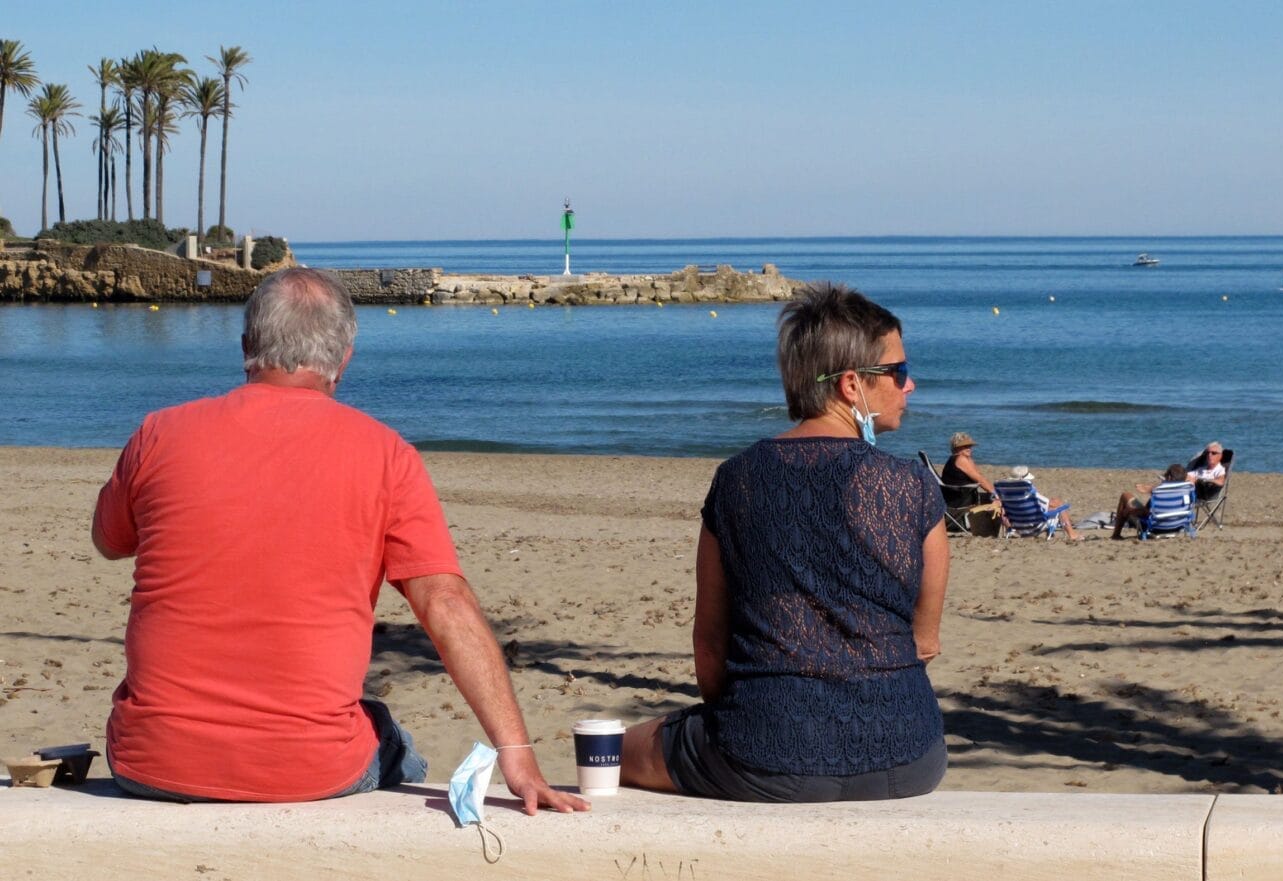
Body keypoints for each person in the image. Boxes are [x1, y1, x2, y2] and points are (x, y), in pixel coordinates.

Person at [92, 268, 588, 811]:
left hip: (152, 760)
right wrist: (515, 751)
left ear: (246, 347)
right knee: (396, 744)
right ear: (345, 358)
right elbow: (444, 603)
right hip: (309, 769)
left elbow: (110, 540)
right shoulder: (385, 454)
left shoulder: (159, 433)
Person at [619, 282, 949, 803]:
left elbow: (709, 645)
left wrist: (747, 723)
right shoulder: (914, 489)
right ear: (851, 385)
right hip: (910, 755)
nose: (910, 387)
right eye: (899, 372)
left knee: (614, 750)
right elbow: (924, 644)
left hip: (762, 754)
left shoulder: (737, 480)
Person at [1002, 465, 1082, 541]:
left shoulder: (1006, 492)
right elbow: (1046, 504)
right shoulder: (1028, 491)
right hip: (1032, 527)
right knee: (1057, 503)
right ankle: (1072, 534)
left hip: (1016, 526)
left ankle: (1011, 531)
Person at [1111, 463, 1189, 540]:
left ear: (1169, 477)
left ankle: (1116, 535)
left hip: (1155, 527)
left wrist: (1129, 511)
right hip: (1177, 526)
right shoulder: (1187, 491)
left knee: (1125, 495)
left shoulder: (1159, 492)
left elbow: (1145, 513)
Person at [942, 432, 995, 504]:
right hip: (960, 501)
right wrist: (995, 493)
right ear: (957, 447)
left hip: (957, 497)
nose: (969, 448)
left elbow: (978, 475)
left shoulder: (956, 459)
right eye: (965, 446)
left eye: (969, 446)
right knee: (1000, 500)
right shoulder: (961, 460)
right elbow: (980, 480)